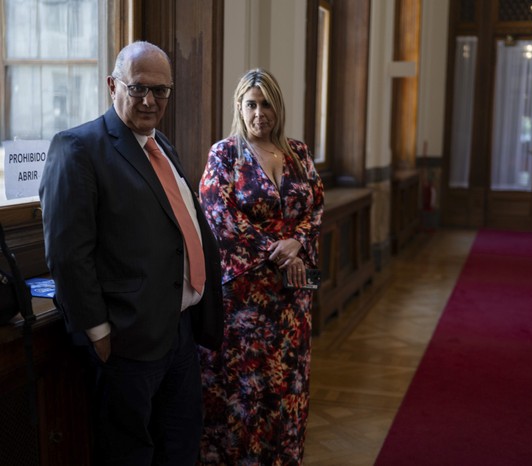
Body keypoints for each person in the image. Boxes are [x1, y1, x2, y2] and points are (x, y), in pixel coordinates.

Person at [39, 41, 223, 465]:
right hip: (126, 341)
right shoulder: (79, 148)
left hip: (178, 332)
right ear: (112, 85)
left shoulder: (162, 147)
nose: (149, 100)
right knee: (129, 454)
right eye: (138, 88)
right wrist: (98, 333)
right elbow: (68, 254)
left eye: (160, 91)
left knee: (180, 444)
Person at [197, 68, 324, 465]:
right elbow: (219, 215)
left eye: (266, 103)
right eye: (251, 104)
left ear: (278, 106)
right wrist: (275, 247)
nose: (259, 113)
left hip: (292, 297)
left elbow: (316, 206)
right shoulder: (224, 155)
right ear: (239, 107)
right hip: (244, 301)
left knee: (287, 388)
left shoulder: (299, 153)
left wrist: (297, 242)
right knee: (245, 393)